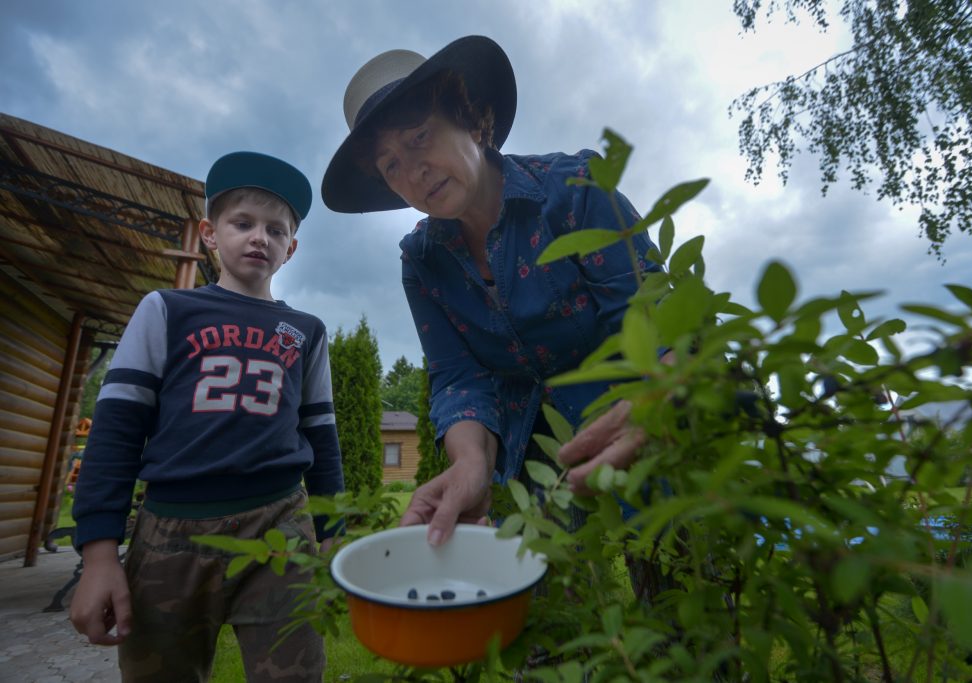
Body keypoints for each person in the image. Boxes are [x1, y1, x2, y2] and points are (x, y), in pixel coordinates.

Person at [321, 35, 666, 555]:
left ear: (474, 121)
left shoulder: (575, 191)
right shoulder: (422, 262)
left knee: (681, 598)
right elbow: (459, 377)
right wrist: (470, 462)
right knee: (540, 613)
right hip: (532, 459)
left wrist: (656, 399)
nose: (412, 172)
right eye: (390, 165)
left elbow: (655, 320)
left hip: (641, 420)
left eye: (419, 137)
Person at [70, 151, 345, 683]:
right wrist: (100, 554)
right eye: (242, 223)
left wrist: (331, 531)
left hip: (279, 525)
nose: (259, 237)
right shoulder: (166, 310)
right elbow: (116, 430)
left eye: (276, 229)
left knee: (296, 673)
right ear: (210, 233)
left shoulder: (306, 331)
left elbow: (321, 436)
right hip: (171, 532)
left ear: (292, 248)